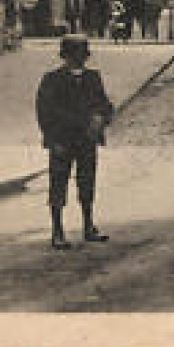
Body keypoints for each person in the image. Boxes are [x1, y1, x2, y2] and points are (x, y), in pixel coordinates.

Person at [35, 34, 115, 249]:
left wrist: (102, 118)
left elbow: (104, 104)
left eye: (82, 54)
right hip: (62, 141)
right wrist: (52, 139)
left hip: (86, 139)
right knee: (58, 185)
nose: (79, 59)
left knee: (87, 182)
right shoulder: (52, 79)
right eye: (74, 54)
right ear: (65, 56)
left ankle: (88, 226)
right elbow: (44, 112)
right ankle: (57, 231)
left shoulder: (93, 78)